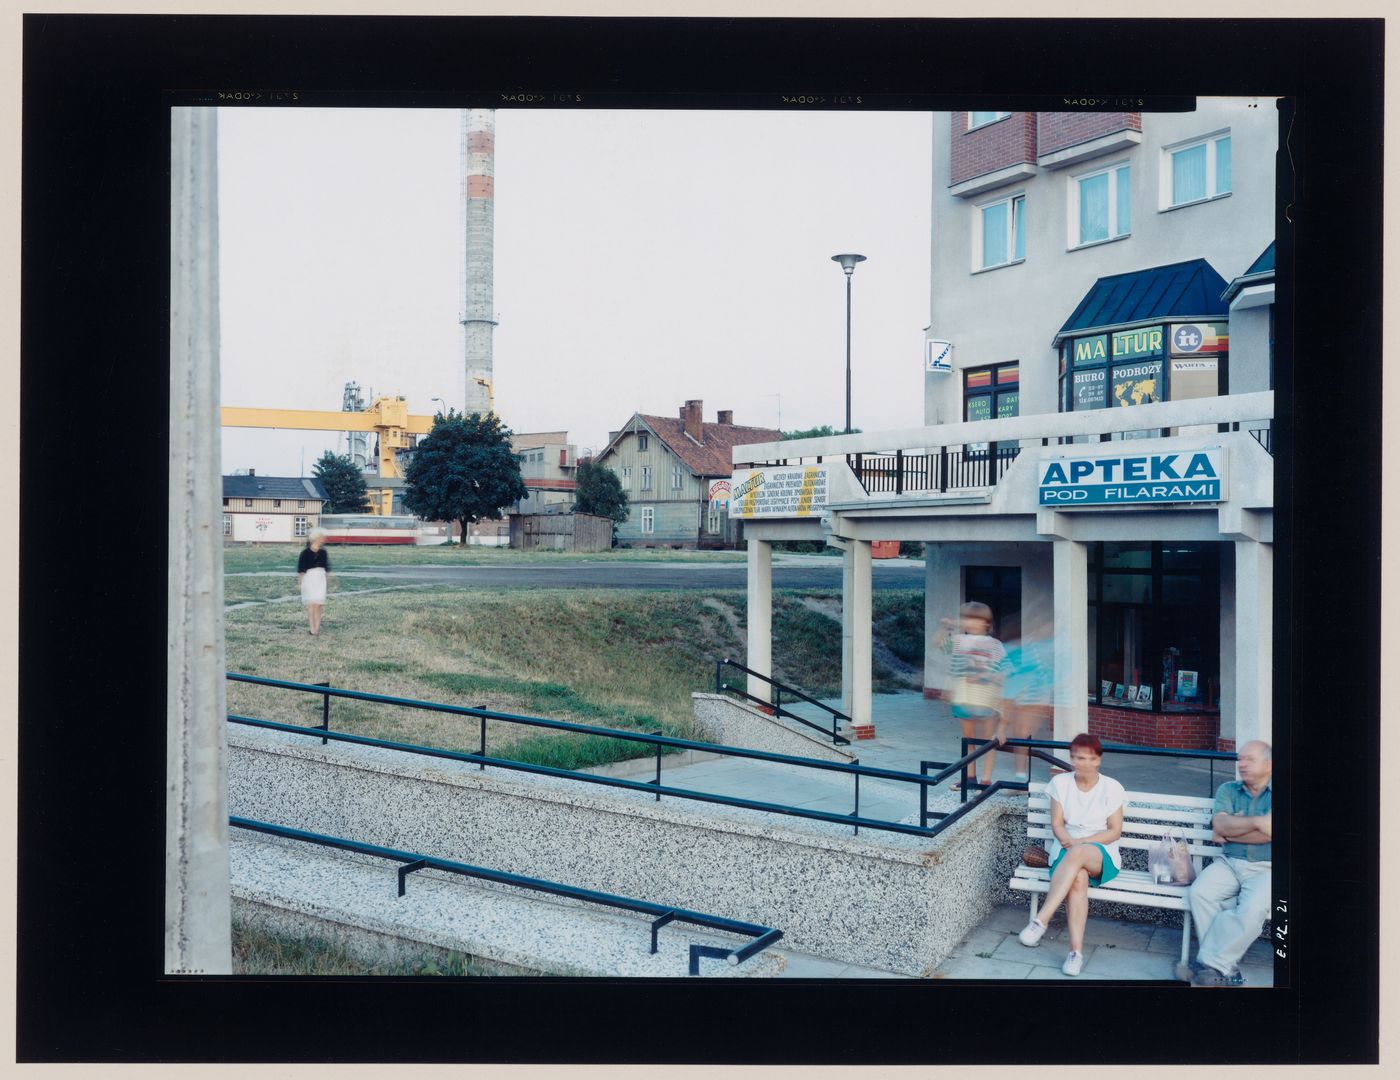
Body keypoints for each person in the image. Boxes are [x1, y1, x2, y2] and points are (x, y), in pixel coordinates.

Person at [1017, 733, 1126, 976]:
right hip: (1064, 849)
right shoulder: (1060, 784)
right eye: (1078, 757)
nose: (1083, 763)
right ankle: (1075, 954)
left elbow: (1114, 832)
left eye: (1088, 758)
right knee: (1078, 878)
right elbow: (1057, 824)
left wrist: (1079, 842)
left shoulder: (1112, 787)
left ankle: (1041, 920)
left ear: (1098, 760)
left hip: (1101, 851)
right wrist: (1068, 841)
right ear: (1072, 758)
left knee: (1079, 854)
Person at [1177, 740, 1273, 986]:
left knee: (1252, 910)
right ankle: (1224, 969)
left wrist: (1236, 827)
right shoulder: (1227, 790)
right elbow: (1219, 828)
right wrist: (1258, 822)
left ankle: (1210, 964)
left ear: (1269, 764)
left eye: (1249, 759)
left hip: (1267, 867)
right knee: (1200, 892)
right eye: (1240, 758)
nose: (1241, 764)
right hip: (1229, 862)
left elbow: (1271, 832)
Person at [935, 601, 1006, 790]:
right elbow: (938, 644)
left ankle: (986, 780)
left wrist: (988, 676)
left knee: (988, 740)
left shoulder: (995, 645)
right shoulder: (959, 641)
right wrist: (945, 627)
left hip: (987, 697)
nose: (972, 623)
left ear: (987, 623)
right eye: (967, 618)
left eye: (977, 619)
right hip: (964, 696)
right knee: (968, 738)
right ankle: (970, 776)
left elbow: (1006, 671)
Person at [999, 611, 1055, 784]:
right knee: (1021, 734)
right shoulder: (1019, 649)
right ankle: (1021, 776)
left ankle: (1021, 776)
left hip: (1032, 696)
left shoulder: (1040, 647)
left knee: (1021, 734)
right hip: (1025, 696)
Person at [297, 528, 331, 636]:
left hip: (320, 580)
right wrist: (300, 583)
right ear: (316, 538)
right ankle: (312, 629)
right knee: (312, 604)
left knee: (319, 604)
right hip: (309, 579)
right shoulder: (305, 553)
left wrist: (328, 581)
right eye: (321, 537)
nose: (323, 539)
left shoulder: (323, 552)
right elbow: (301, 571)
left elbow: (326, 568)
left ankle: (317, 627)